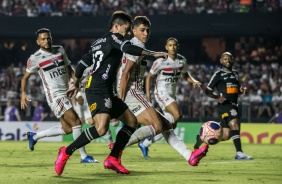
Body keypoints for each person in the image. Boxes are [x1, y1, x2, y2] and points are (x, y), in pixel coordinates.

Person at [54, 10, 168, 176]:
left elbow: (82, 64)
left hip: (106, 89)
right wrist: (152, 54)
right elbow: (128, 47)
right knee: (101, 129)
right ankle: (66, 151)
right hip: (97, 88)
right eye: (126, 29)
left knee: (131, 121)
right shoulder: (115, 38)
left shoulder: (97, 42)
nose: (128, 33)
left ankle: (113, 158)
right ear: (116, 26)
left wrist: (76, 82)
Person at [116, 16, 208, 165]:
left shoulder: (138, 46)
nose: (146, 33)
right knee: (157, 126)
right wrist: (120, 100)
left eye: (148, 30)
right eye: (142, 30)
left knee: (166, 125)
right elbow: (125, 73)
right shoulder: (135, 46)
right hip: (131, 92)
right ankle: (118, 146)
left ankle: (189, 156)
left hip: (135, 92)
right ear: (133, 31)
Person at [20, 28, 97, 164]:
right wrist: (23, 94)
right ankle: (83, 156)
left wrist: (76, 83)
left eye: (48, 38)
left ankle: (35, 136)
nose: (46, 41)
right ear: (38, 42)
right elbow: (25, 78)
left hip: (66, 93)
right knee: (77, 122)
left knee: (67, 129)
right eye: (43, 39)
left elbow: (69, 69)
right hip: (55, 96)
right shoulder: (35, 58)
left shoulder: (60, 50)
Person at [138, 37, 202, 157]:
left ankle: (145, 143)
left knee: (169, 127)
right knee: (177, 115)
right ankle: (152, 131)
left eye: (174, 45)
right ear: (166, 47)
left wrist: (193, 81)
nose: (172, 47)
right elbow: (149, 77)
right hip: (161, 92)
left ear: (178, 46)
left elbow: (186, 75)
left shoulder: (182, 60)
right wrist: (148, 94)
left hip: (172, 94)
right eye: (170, 45)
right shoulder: (160, 61)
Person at [193, 51, 253, 160]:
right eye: (225, 59)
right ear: (221, 61)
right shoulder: (218, 74)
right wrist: (217, 97)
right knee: (235, 124)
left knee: (225, 135)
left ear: (233, 60)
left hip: (233, 105)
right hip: (224, 105)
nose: (228, 60)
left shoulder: (235, 74)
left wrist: (242, 90)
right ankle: (239, 153)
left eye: (229, 58)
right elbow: (208, 90)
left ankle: (202, 139)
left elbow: (235, 89)